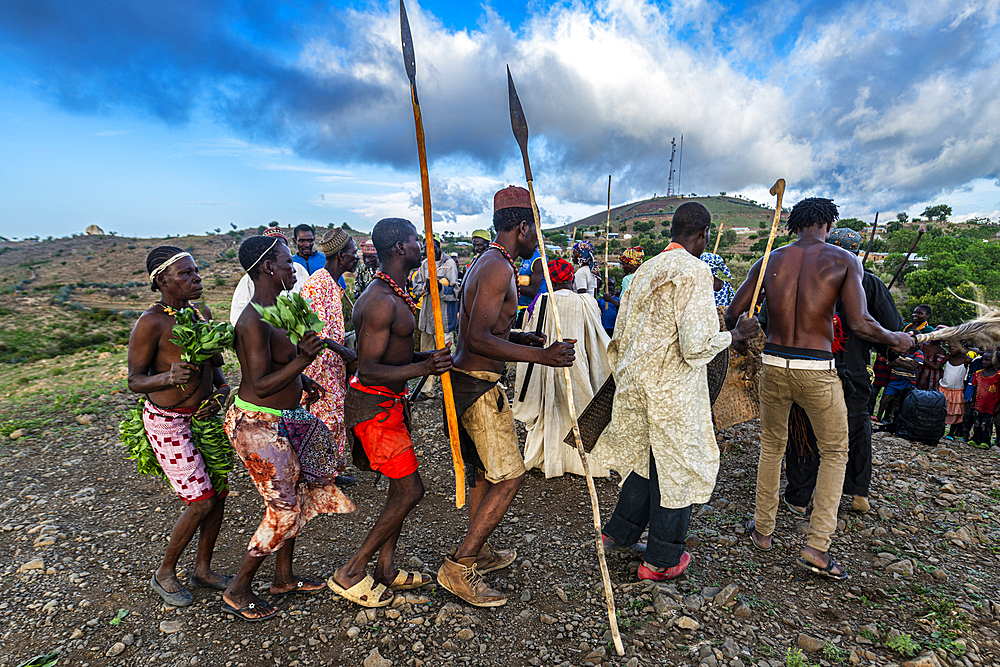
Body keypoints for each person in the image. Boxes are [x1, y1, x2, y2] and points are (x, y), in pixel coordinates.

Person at [727, 197, 912, 581]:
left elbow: (734, 313)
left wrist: (743, 341)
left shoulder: (769, 261)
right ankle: (817, 546)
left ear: (796, 225)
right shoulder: (845, 261)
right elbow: (860, 323)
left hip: (774, 365)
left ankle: (762, 530)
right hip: (817, 369)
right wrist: (895, 338)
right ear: (828, 225)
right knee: (834, 451)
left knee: (772, 445)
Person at [592, 202, 760, 581]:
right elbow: (696, 346)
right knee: (678, 467)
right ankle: (661, 560)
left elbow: (621, 334)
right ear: (702, 234)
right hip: (671, 389)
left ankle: (618, 534)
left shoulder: (645, 269)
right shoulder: (695, 271)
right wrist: (735, 335)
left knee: (648, 458)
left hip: (636, 383)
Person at [438, 185, 575, 607]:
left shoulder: (489, 262)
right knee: (511, 477)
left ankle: (477, 550)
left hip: (471, 381)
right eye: (535, 227)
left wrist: (520, 336)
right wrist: (542, 355)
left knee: (484, 472)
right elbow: (476, 338)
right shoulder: (497, 268)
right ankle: (460, 568)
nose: (538, 235)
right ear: (522, 226)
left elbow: (485, 331)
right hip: (478, 386)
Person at [222, 236, 355, 621]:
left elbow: (283, 370)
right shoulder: (253, 320)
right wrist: (303, 362)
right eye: (285, 262)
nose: (293, 268)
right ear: (267, 267)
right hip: (256, 425)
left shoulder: (279, 308)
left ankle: (283, 578)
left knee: (296, 492)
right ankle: (238, 588)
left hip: (283, 417)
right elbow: (259, 383)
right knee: (283, 508)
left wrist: (303, 383)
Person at [329, 218, 453, 607]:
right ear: (401, 248)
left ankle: (385, 568)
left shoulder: (394, 294)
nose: (422, 246)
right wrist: (423, 369)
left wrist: (425, 357)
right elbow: (367, 368)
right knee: (410, 489)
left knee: (400, 488)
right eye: (417, 240)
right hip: (375, 407)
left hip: (390, 405)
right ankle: (351, 571)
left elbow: (392, 355)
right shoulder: (381, 300)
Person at [128, 247, 234, 606]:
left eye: (196, 272)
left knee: (218, 495)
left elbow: (217, 374)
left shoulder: (200, 314)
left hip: (204, 419)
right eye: (186, 274)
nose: (196, 279)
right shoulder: (151, 322)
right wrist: (166, 376)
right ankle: (164, 573)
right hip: (168, 423)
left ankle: (203, 571)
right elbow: (134, 380)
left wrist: (220, 395)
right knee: (200, 501)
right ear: (162, 281)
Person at [779, 227, 904, 517]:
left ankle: (799, 496)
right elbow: (891, 328)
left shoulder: (804, 279)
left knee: (806, 430)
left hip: (809, 368)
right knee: (856, 429)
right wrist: (888, 345)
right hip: (855, 372)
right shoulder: (870, 284)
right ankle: (857, 492)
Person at [514, 258, 611, 479]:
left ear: (551, 279)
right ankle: (584, 463)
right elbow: (595, 335)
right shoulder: (585, 302)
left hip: (549, 363)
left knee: (551, 407)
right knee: (582, 406)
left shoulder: (542, 301)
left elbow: (531, 331)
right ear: (570, 278)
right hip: (577, 362)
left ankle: (551, 459)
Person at [298, 229, 360, 484]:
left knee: (334, 421)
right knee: (320, 424)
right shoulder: (316, 284)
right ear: (342, 256)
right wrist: (344, 351)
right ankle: (314, 479)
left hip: (332, 368)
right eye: (354, 253)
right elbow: (315, 333)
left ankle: (328, 474)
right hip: (318, 370)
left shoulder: (334, 285)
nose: (357, 258)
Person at [411, 234, 459, 400]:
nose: (429, 250)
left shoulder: (449, 265)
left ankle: (451, 389)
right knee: (427, 352)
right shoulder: (424, 265)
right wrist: (426, 286)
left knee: (446, 354)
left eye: (433, 246)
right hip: (427, 316)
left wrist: (439, 288)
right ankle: (427, 390)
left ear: (439, 246)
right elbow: (415, 289)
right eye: (426, 248)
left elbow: (456, 292)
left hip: (444, 318)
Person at [229, 228, 309, 326]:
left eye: (281, 246)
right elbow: (237, 315)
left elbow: (309, 300)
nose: (293, 269)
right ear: (268, 266)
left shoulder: (299, 269)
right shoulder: (249, 280)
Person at [969, 350, 999, 447]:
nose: (984, 362)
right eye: (983, 360)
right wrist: (973, 401)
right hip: (979, 403)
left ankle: (985, 441)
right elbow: (975, 388)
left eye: (988, 360)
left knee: (986, 424)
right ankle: (975, 439)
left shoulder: (998, 375)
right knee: (977, 422)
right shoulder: (978, 373)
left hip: (991, 405)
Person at [940, 342, 970, 440]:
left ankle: (951, 433)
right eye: (950, 347)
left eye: (955, 346)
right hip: (944, 388)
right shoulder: (948, 358)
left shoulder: (966, 360)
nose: (951, 348)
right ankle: (940, 430)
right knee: (942, 410)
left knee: (956, 412)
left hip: (957, 390)